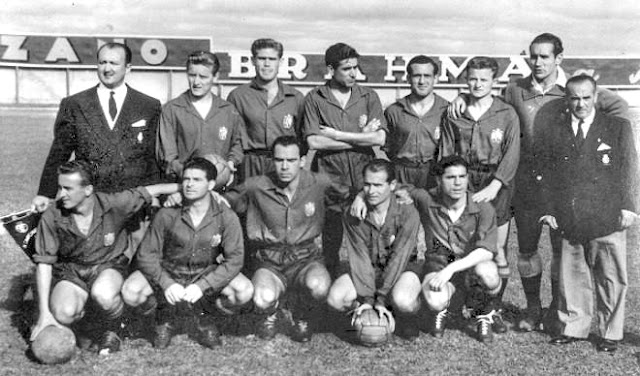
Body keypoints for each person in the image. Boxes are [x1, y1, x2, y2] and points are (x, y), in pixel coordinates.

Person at [448, 33, 629, 332]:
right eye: (533, 55)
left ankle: (559, 310)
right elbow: (487, 100)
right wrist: (463, 96)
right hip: (527, 183)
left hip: (564, 184)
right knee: (527, 251)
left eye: (545, 56)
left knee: (563, 251)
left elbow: (617, 110)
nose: (538, 62)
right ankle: (533, 308)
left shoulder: (572, 88)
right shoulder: (515, 89)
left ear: (559, 58)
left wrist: (607, 139)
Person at [30, 160, 179, 353]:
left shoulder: (112, 203)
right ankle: (90, 326)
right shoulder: (53, 214)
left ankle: (115, 327)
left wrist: (186, 187)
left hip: (108, 265)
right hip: (72, 271)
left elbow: (151, 190)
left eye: (68, 188)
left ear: (88, 190)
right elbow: (44, 263)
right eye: (60, 188)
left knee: (103, 295)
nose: (61, 194)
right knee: (63, 313)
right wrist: (44, 314)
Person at [538, 75, 638, 353]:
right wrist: (547, 210)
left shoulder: (616, 127)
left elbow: (629, 169)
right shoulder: (555, 130)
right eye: (574, 98)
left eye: (585, 97)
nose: (580, 104)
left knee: (610, 276)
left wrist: (630, 206)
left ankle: (611, 332)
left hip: (607, 216)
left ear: (596, 97)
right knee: (571, 275)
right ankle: (573, 326)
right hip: (568, 214)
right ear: (566, 100)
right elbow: (545, 174)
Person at [225, 136, 344, 342]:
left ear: (302, 161)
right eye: (279, 160)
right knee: (263, 299)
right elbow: (224, 203)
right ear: (272, 160)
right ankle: (270, 312)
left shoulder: (319, 183)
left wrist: (360, 198)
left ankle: (302, 314)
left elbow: (347, 195)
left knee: (320, 286)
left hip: (306, 259)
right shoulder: (255, 186)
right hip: (269, 261)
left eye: (291, 160)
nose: (285, 166)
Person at [127, 157, 253, 349]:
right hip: (171, 271)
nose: (189, 184)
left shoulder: (226, 216)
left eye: (196, 180)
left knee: (243, 291)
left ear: (211, 184)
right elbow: (146, 255)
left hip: (205, 271)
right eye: (186, 179)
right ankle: (163, 318)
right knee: (131, 292)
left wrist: (203, 286)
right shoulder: (167, 214)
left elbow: (235, 259)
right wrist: (166, 283)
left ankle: (206, 319)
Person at [439, 56, 520, 334]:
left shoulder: (506, 113)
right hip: (463, 182)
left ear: (494, 82)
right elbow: (446, 154)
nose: (477, 84)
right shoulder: (454, 112)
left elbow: (511, 154)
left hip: (495, 182)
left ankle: (491, 309)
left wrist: (496, 185)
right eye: (472, 79)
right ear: (466, 80)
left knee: (496, 250)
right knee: (461, 245)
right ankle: (459, 304)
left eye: (483, 79)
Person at [32, 42, 162, 211]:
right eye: (102, 63)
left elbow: (152, 157)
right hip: (90, 200)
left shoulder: (148, 106)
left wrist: (155, 195)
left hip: (133, 200)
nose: (107, 69)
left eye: (114, 63)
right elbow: (59, 153)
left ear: (128, 67)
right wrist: (45, 193)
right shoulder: (75, 104)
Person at [301, 42, 387, 275]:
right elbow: (314, 142)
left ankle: (369, 291)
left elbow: (378, 138)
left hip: (363, 176)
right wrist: (361, 137)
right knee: (331, 238)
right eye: (346, 69)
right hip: (330, 177)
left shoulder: (368, 96)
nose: (353, 74)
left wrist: (341, 135)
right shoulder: (315, 98)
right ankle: (331, 291)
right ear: (331, 69)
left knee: (367, 235)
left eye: (355, 68)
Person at [403, 156, 502, 343]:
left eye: (462, 177)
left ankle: (485, 310)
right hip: (438, 267)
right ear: (439, 180)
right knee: (434, 300)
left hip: (470, 270)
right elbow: (394, 187)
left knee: (488, 273)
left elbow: (487, 251)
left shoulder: (482, 206)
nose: (457, 183)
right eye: (450, 178)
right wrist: (360, 197)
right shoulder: (427, 199)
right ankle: (447, 309)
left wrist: (451, 269)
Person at [328, 159, 424, 340]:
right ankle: (363, 309)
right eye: (367, 185)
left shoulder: (408, 212)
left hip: (402, 269)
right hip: (368, 270)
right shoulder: (353, 214)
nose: (371, 191)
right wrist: (367, 299)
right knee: (336, 298)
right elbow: (359, 257)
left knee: (404, 300)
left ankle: (404, 316)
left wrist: (379, 299)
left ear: (392, 185)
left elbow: (399, 258)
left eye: (378, 185)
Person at [156, 51, 244, 185]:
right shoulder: (171, 109)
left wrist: (230, 164)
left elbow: (237, 145)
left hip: (219, 186)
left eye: (203, 77)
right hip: (184, 186)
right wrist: (192, 174)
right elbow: (167, 156)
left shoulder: (228, 110)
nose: (196, 82)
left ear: (215, 77)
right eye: (192, 75)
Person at [226, 38, 305, 182]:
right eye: (262, 58)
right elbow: (233, 138)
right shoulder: (238, 96)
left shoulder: (295, 97)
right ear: (253, 61)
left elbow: (302, 137)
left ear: (280, 62)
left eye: (272, 59)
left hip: (283, 164)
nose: (267, 64)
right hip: (250, 164)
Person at [384, 55, 449, 189]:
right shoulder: (394, 111)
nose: (422, 81)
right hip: (402, 174)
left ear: (435, 78)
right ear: (408, 78)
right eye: (416, 76)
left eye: (427, 76)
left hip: (434, 173)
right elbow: (388, 148)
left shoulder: (447, 110)